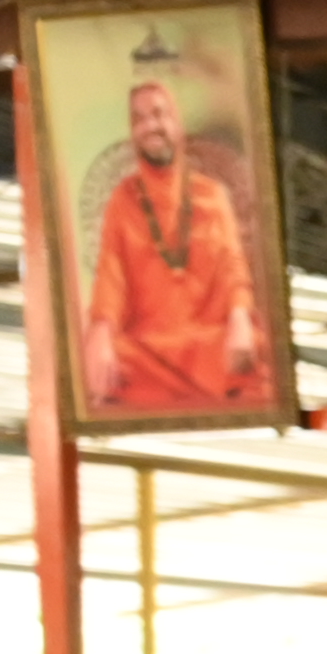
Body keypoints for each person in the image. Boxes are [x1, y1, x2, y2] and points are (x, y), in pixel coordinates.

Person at [78, 67, 267, 414]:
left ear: (177, 125)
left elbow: (233, 268)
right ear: (133, 133)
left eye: (158, 114)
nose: (151, 126)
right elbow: (110, 275)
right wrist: (102, 331)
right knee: (102, 359)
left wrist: (240, 319)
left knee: (259, 354)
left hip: (211, 342)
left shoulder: (212, 196)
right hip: (147, 348)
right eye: (139, 119)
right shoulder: (123, 201)